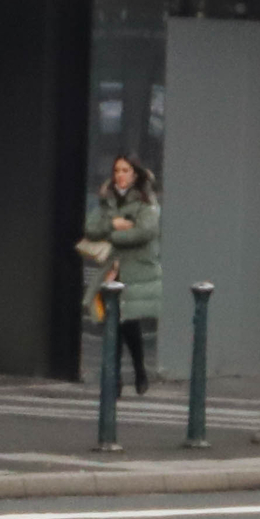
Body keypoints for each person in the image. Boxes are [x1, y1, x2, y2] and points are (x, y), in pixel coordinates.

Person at [82, 152, 163, 395]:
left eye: (125, 170)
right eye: (117, 170)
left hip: (136, 271)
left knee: (130, 324)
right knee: (113, 325)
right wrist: (113, 225)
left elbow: (145, 232)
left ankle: (139, 370)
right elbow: (91, 228)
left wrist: (114, 236)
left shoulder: (145, 200)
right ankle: (114, 379)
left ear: (135, 174)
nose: (120, 175)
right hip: (112, 272)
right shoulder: (108, 200)